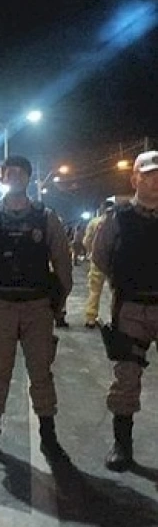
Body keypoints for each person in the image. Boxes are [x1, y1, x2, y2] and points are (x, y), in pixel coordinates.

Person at [0, 155, 73, 464]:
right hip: (0, 306)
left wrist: (57, 302)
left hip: (37, 306)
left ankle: (48, 436)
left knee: (41, 372)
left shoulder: (46, 217)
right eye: (9, 173)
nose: (15, 178)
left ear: (28, 178)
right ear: (2, 177)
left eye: (21, 173)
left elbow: (63, 266)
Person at [91, 151, 158, 472]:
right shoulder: (117, 218)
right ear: (135, 179)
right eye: (148, 175)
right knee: (127, 377)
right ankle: (122, 445)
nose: (155, 181)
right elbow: (101, 258)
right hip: (130, 307)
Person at [83, 200, 114, 328]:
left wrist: (91, 251)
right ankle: (115, 318)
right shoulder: (117, 222)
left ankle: (91, 317)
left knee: (95, 290)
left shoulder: (95, 222)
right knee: (116, 291)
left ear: (101, 209)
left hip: (97, 261)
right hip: (114, 262)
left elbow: (86, 240)